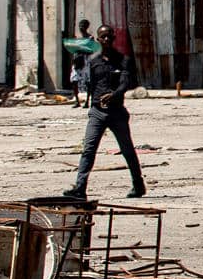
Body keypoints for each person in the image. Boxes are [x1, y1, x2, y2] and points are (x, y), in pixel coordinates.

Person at [61, 25, 145, 200]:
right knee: (88, 150)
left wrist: (114, 95)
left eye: (109, 36)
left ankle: (138, 185)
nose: (106, 40)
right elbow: (91, 85)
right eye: (103, 37)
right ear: (98, 40)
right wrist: (90, 104)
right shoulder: (94, 61)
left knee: (127, 150)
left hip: (117, 113)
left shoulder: (123, 60)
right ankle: (80, 188)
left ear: (113, 38)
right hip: (97, 112)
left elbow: (125, 83)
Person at [64, 19, 98, 110]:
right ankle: (77, 101)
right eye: (80, 26)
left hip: (86, 61)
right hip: (77, 60)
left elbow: (91, 49)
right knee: (74, 80)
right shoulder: (77, 38)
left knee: (88, 82)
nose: (81, 28)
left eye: (83, 26)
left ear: (86, 27)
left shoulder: (90, 38)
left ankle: (87, 101)